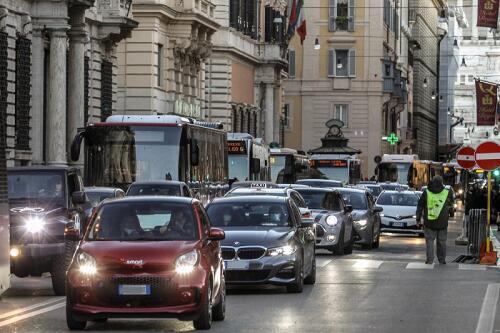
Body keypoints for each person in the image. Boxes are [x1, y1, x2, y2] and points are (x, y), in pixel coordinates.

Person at [416, 176, 454, 265]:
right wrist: (450, 213)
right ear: (441, 182)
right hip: (443, 222)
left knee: (429, 241)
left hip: (429, 221)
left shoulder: (426, 192)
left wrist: (418, 218)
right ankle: (442, 259)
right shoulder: (447, 192)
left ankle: (429, 260)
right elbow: (451, 205)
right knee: (442, 241)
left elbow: (420, 206)